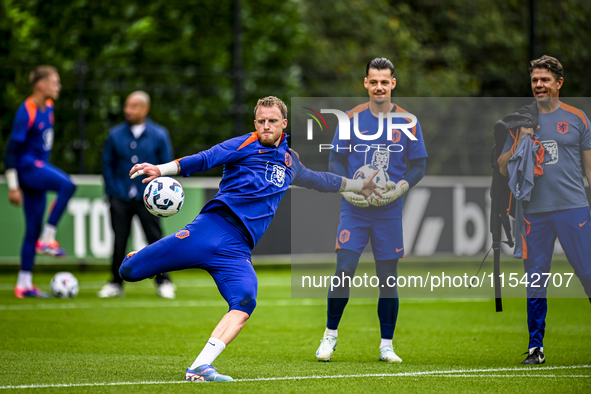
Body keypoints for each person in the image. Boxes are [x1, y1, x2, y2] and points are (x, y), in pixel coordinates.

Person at [119, 96, 382, 382]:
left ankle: (199, 367)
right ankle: (143, 258)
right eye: (261, 121)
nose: (266, 126)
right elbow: (206, 158)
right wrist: (162, 169)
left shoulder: (290, 162)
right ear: (255, 123)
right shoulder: (243, 144)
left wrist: (360, 185)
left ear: (284, 123)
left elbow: (322, 181)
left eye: (272, 121)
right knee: (128, 271)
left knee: (245, 300)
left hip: (237, 249)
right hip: (210, 229)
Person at [315, 58, 427, 363]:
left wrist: (401, 187)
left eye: (384, 82)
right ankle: (330, 335)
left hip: (389, 210)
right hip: (355, 208)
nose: (379, 87)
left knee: (388, 277)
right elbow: (335, 161)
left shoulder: (409, 122)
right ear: (366, 83)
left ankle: (386, 345)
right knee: (343, 271)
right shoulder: (350, 119)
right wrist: (349, 187)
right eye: (373, 81)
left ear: (393, 84)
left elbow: (419, 166)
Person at [497, 55, 591, 365]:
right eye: (535, 80)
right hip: (533, 213)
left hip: (573, 208)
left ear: (559, 83)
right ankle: (536, 348)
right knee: (535, 280)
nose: (539, 85)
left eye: (545, 80)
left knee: (588, 273)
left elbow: (590, 171)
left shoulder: (578, 118)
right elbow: (501, 167)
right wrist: (521, 139)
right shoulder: (521, 120)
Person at [4, 65, 77, 298]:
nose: (59, 86)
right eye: (54, 81)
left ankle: (23, 285)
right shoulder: (27, 111)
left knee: (31, 230)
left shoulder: (49, 107)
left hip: (37, 171)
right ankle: (48, 238)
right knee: (67, 184)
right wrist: (13, 186)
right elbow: (10, 152)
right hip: (27, 169)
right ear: (40, 85)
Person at [100, 91, 176, 299]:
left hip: (149, 199)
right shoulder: (115, 134)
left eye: (133, 106)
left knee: (155, 240)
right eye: (127, 106)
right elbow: (107, 165)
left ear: (145, 109)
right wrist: (113, 192)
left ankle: (164, 281)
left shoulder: (159, 134)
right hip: (120, 198)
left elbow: (166, 165)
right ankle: (115, 283)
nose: (128, 110)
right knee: (119, 240)